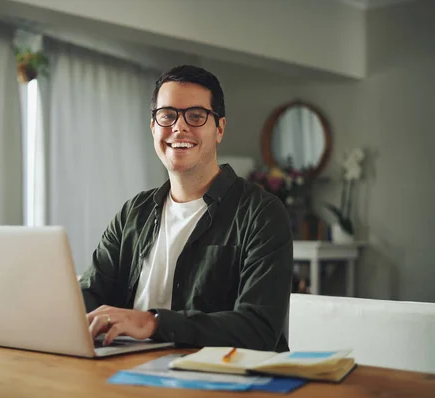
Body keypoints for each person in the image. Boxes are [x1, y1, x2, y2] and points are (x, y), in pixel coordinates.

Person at [79, 65, 293, 351]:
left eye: (196, 116)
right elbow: (91, 293)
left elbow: (259, 328)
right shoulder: (133, 213)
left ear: (219, 129)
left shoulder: (262, 214)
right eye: (167, 115)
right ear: (153, 127)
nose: (179, 127)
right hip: (129, 371)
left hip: (221, 382)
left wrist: (153, 323)